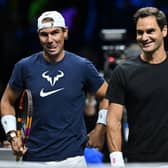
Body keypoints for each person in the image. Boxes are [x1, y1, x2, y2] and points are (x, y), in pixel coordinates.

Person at [0, 11, 108, 167]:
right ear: (38, 36)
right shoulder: (24, 67)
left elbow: (108, 96)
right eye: (44, 34)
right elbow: (6, 101)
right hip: (33, 159)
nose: (50, 40)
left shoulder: (82, 66)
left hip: (73, 159)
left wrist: (100, 129)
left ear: (65, 32)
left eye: (55, 33)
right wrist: (12, 134)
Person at [106, 6, 168, 167]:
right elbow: (113, 121)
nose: (144, 37)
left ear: (164, 31)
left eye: (150, 31)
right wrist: (116, 161)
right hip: (139, 161)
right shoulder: (123, 71)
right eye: (140, 32)